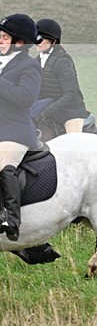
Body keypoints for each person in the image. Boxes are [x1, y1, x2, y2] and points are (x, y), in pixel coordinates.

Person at [0, 13, 42, 240]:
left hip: (15, 132)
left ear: (19, 42)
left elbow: (26, 98)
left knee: (3, 166)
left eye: (4, 37)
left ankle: (11, 219)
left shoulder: (29, 66)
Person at [34, 18, 90, 135]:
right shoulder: (36, 62)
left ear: (53, 41)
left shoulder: (62, 62)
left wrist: (46, 111)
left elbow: (71, 94)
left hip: (70, 112)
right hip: (50, 112)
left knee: (72, 145)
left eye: (41, 39)